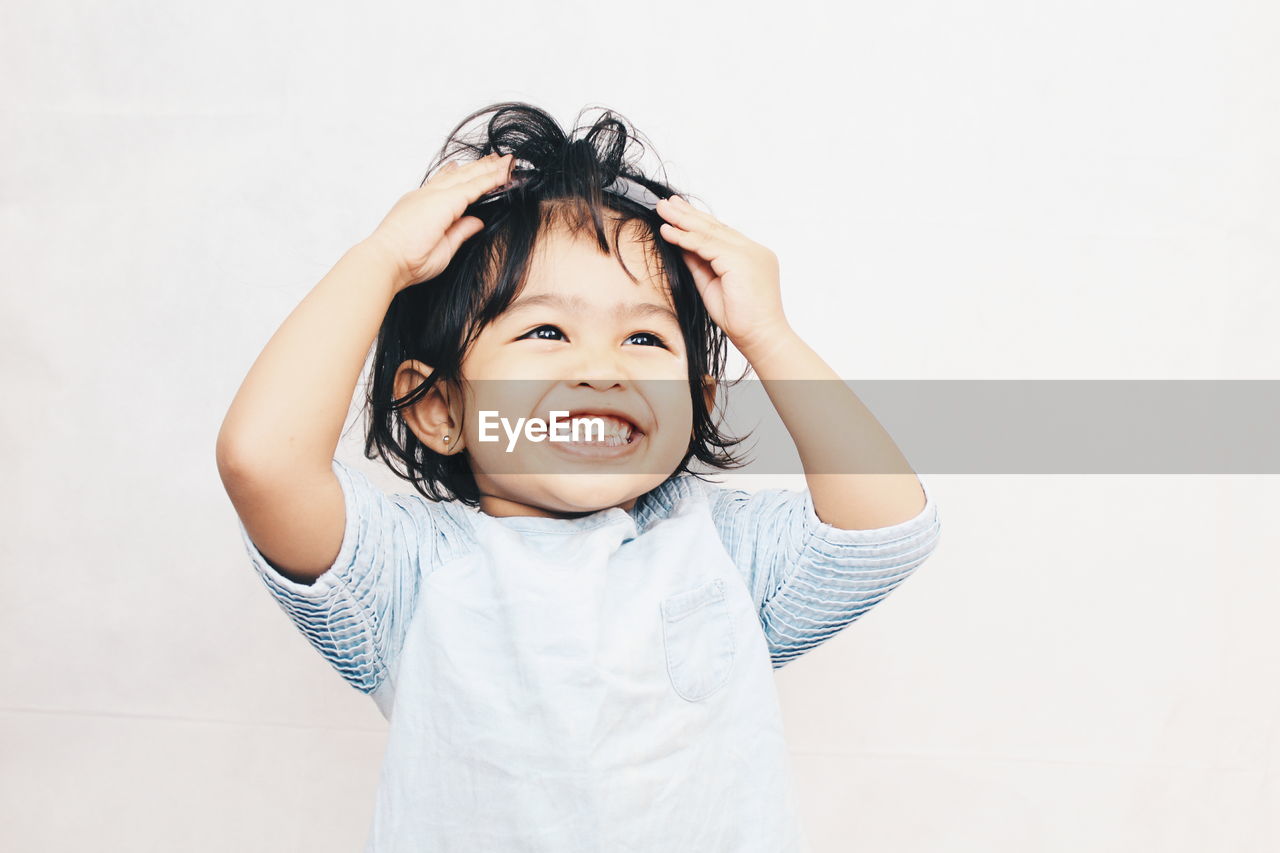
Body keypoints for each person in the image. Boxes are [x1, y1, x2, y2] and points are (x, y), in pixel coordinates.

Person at [216, 101, 943, 852]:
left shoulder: (721, 548)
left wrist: (768, 334)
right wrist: (379, 260)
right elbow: (263, 459)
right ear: (439, 408)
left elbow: (886, 526)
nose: (602, 369)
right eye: (546, 331)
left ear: (692, 405)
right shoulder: (412, 573)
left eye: (644, 336)